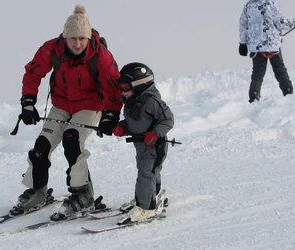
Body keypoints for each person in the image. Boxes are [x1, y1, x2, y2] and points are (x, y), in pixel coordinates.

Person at [12, 5, 122, 219]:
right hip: (62, 104)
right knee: (42, 146)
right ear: (64, 37)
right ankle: (37, 190)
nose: (77, 43)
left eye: (82, 38)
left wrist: (111, 115)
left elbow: (113, 88)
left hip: (90, 105)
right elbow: (32, 73)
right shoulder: (52, 49)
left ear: (88, 37)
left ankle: (82, 193)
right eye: (72, 39)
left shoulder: (101, 56)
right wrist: (27, 103)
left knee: (72, 140)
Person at [111, 62, 174, 224]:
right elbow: (133, 122)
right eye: (121, 86)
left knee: (146, 174)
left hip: (155, 145)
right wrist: (122, 128)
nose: (122, 91)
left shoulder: (151, 102)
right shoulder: (132, 101)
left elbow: (168, 119)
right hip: (141, 145)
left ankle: (146, 208)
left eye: (125, 86)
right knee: (149, 171)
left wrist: (155, 133)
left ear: (139, 84)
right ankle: (153, 195)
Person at [239, 0, 295, 103]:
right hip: (272, 45)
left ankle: (254, 96)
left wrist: (242, 43)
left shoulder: (248, 5)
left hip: (256, 47)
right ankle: (288, 92)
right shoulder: (270, 3)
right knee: (280, 70)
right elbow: (279, 22)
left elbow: (243, 25)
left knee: (257, 74)